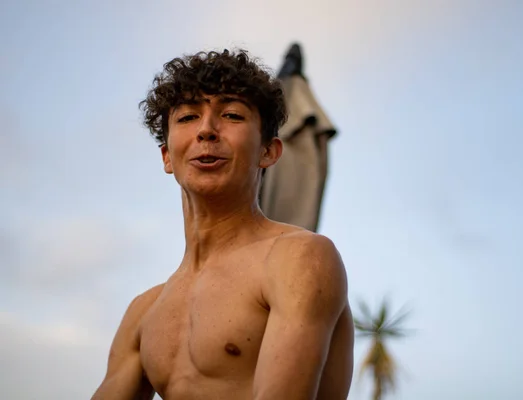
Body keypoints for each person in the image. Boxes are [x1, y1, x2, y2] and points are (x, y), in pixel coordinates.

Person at [92, 49, 354, 400]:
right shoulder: (145, 312)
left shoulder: (298, 259)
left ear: (269, 152)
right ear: (168, 156)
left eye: (231, 115)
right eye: (187, 118)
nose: (206, 130)